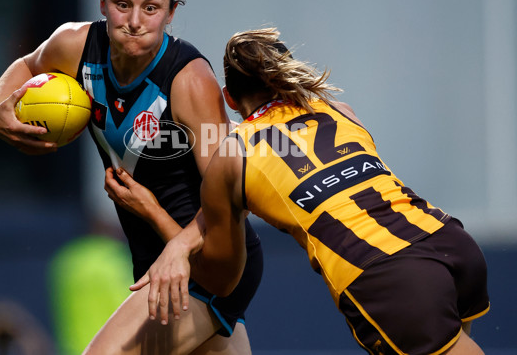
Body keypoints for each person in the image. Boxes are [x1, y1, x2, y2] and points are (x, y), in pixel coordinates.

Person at [129, 27, 490, 355]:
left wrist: (158, 218)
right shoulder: (339, 109)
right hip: (449, 240)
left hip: (389, 275)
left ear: (229, 98)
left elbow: (221, 282)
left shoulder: (232, 154)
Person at [0, 0, 263, 355]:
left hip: (208, 264)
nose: (134, 20)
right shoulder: (75, 46)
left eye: (151, 8)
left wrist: (177, 245)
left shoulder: (190, 81)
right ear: (101, 2)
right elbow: (27, 65)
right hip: (154, 258)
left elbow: (231, 192)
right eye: (121, 3)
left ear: (170, 13)